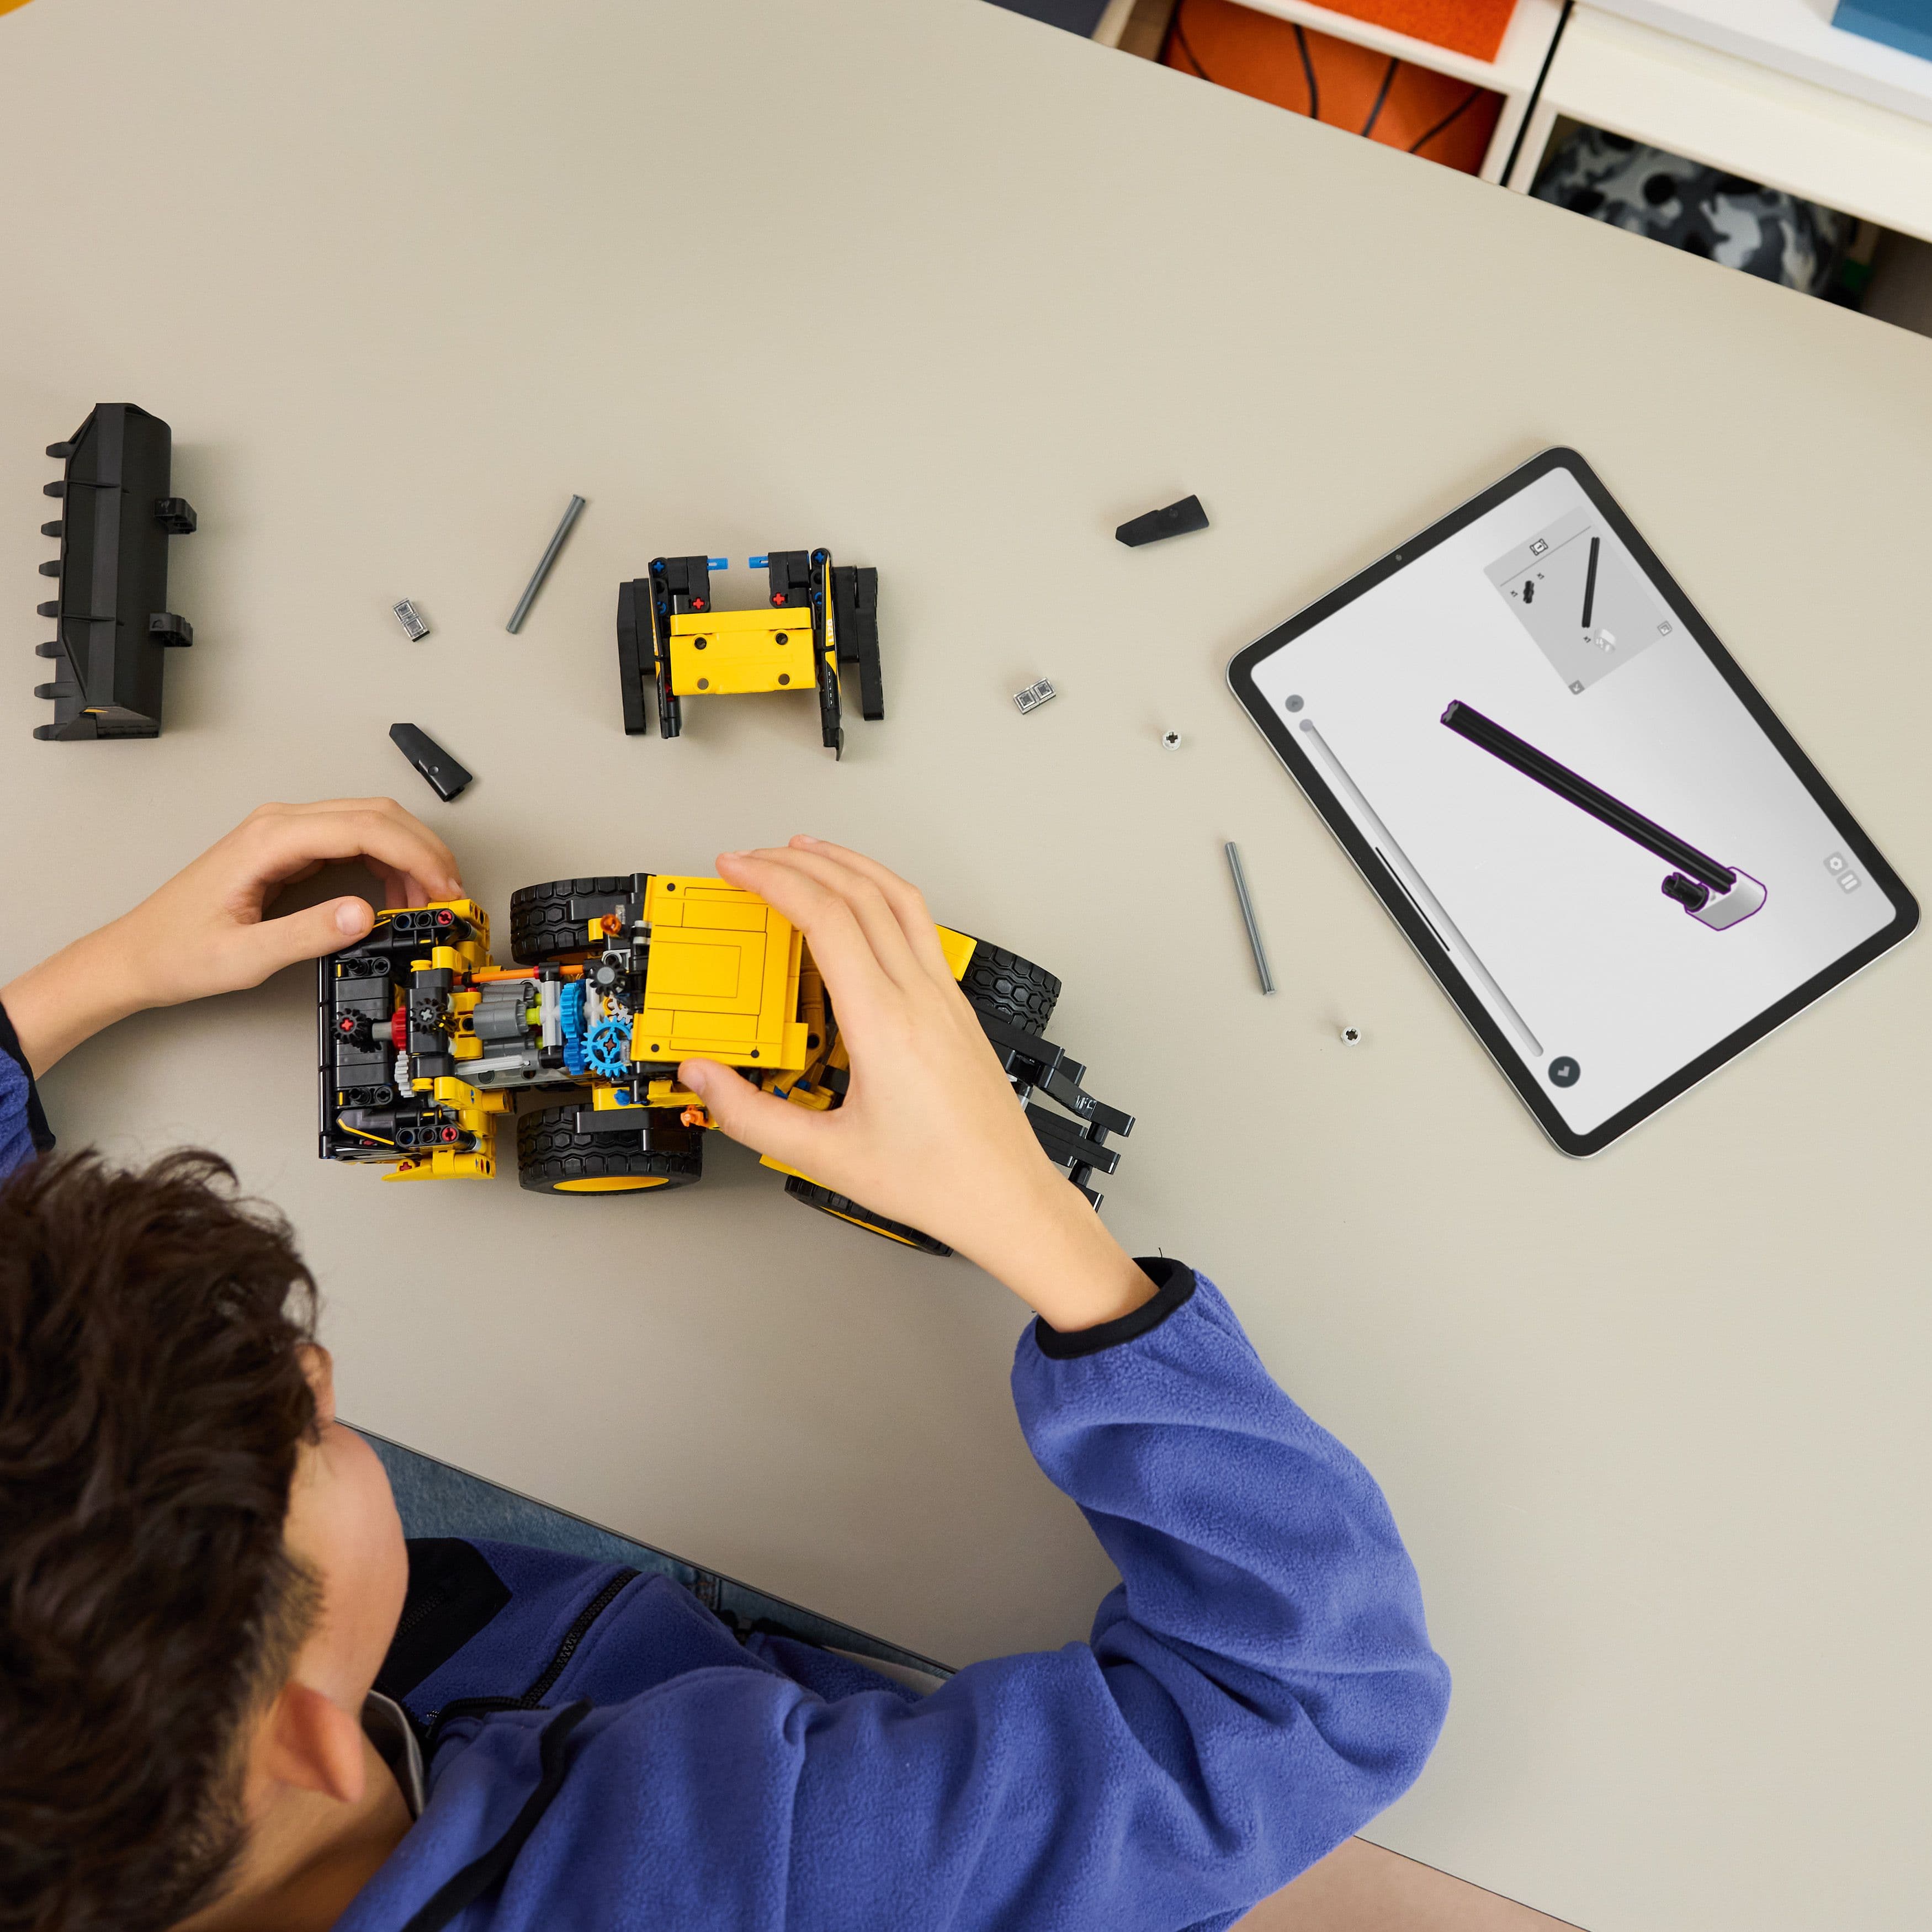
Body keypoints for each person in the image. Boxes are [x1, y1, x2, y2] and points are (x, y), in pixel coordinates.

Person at [0, 799, 1451, 1932]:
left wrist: (93, 980)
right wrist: (1040, 1229)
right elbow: (1302, 1705)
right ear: (313, 1739)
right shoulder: (763, 1868)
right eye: (309, 1432)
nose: (317, 1372)